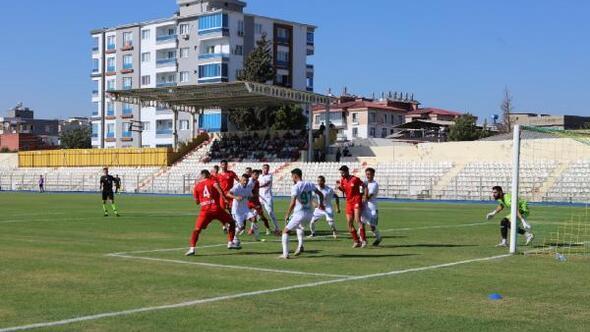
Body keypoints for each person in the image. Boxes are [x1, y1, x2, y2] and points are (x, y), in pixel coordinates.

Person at [186, 170, 240, 256]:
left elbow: (196, 202)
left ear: (202, 175)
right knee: (232, 222)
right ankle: (230, 242)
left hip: (205, 211)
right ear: (207, 175)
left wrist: (201, 199)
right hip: (216, 209)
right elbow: (219, 189)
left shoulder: (196, 186)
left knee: (197, 229)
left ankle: (192, 248)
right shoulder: (212, 181)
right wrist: (225, 199)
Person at [281, 168, 325, 259]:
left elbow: (293, 203)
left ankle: (285, 254)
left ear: (295, 176)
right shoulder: (309, 184)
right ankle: (300, 245)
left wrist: (287, 214)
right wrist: (321, 205)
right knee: (299, 227)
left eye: (292, 176)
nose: (291, 178)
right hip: (309, 214)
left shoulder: (296, 187)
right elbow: (320, 194)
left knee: (285, 231)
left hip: (299, 213)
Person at [337, 165, 368, 248]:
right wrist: (339, 188)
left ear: (347, 171)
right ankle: (356, 241)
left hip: (356, 201)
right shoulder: (342, 180)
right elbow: (345, 190)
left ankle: (364, 240)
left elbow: (364, 186)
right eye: (341, 173)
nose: (342, 174)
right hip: (349, 202)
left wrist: (365, 195)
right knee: (349, 223)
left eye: (343, 172)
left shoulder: (355, 179)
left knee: (357, 220)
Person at [226, 174, 253, 247]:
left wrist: (250, 198)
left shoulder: (248, 188)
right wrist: (236, 197)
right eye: (244, 180)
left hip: (245, 209)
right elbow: (228, 194)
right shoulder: (237, 187)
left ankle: (253, 232)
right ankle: (234, 236)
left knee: (254, 218)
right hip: (237, 210)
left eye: (246, 181)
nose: (245, 182)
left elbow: (250, 197)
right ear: (240, 180)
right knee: (241, 227)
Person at [246, 169, 272, 237]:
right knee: (244, 214)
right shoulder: (248, 181)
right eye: (255, 174)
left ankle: (268, 228)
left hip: (255, 201)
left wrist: (251, 195)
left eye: (257, 175)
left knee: (262, 216)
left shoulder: (257, 182)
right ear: (252, 174)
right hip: (248, 201)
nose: (256, 176)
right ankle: (246, 228)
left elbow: (257, 193)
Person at [362, 168, 382, 246]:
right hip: (364, 207)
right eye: (367, 174)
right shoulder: (364, 183)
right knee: (361, 223)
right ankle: (362, 240)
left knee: (372, 227)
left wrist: (362, 197)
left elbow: (368, 197)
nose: (368, 176)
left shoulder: (374, 184)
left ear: (373, 175)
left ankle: (379, 238)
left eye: (370, 174)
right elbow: (361, 193)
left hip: (372, 208)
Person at [259, 164, 281, 234]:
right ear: (262, 169)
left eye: (267, 168)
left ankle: (277, 228)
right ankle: (253, 229)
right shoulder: (259, 176)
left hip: (267, 197)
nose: (266, 169)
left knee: (270, 212)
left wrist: (258, 186)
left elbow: (267, 183)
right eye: (264, 168)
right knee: (256, 213)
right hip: (260, 197)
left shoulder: (269, 176)